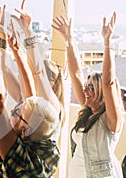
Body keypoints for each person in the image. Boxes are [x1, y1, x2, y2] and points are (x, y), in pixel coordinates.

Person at [0, 9, 60, 177]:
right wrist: (14, 49)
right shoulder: (44, 145)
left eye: (16, 112)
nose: (12, 112)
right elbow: (30, 95)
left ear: (25, 130)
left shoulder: (23, 161)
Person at [52, 12, 124, 177]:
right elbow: (76, 73)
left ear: (101, 93)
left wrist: (107, 43)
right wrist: (69, 40)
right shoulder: (87, 111)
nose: (85, 90)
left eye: (90, 87)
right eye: (86, 85)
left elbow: (108, 82)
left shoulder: (111, 119)